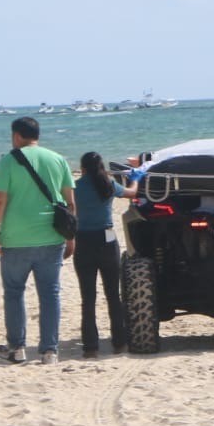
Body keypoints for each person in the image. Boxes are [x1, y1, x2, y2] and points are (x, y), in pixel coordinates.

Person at [0, 116, 75, 365]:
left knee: (14, 292)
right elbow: (70, 203)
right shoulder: (58, 159)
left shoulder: (8, 161)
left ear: (16, 136)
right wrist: (71, 236)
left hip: (16, 239)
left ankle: (17, 348)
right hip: (51, 237)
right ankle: (49, 351)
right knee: (50, 294)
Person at [73, 152, 136, 357]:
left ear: (82, 168)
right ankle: (119, 342)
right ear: (101, 167)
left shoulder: (76, 186)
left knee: (88, 297)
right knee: (113, 295)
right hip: (107, 240)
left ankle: (90, 347)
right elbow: (131, 193)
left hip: (83, 240)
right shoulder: (108, 184)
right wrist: (135, 178)